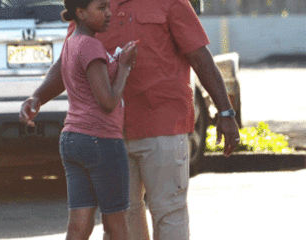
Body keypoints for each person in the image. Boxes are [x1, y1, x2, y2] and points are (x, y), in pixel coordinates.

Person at [20, 0, 240, 239]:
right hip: (110, 135)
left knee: (169, 210)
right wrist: (38, 97)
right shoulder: (93, 5)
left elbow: (199, 56)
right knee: (122, 217)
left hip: (163, 125)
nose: (106, 13)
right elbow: (69, 58)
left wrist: (226, 112)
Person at [23, 0, 137, 239]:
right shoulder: (91, 46)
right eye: (101, 8)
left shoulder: (72, 43)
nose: (108, 13)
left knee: (78, 225)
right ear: (81, 13)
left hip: (72, 140)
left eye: (108, 7)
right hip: (101, 141)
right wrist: (124, 66)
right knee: (117, 224)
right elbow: (107, 101)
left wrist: (37, 98)